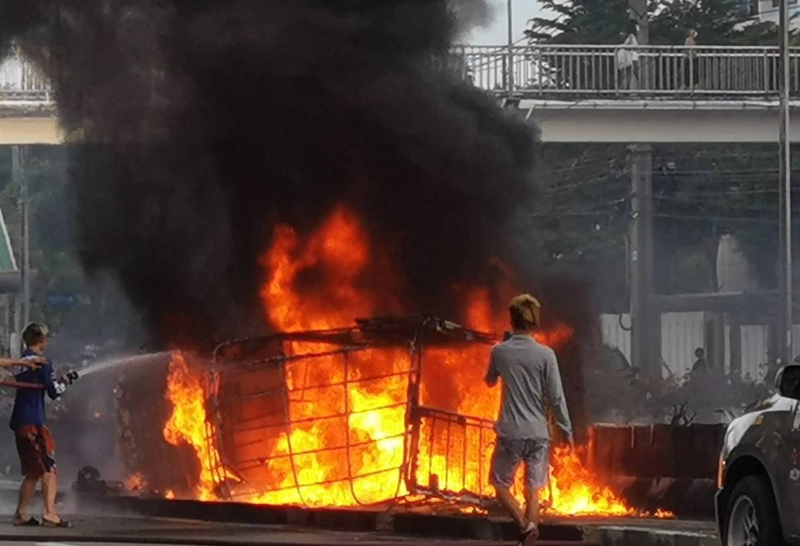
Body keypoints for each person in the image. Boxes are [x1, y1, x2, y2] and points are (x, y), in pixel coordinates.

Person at [485, 294, 573, 546]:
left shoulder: (499, 351)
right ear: (535, 320)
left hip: (511, 432)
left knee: (500, 484)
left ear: (511, 319)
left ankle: (524, 527)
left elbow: (490, 381)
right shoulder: (546, 355)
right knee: (533, 491)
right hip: (538, 433)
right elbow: (556, 396)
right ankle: (529, 539)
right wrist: (566, 428)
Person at [11, 323, 71, 528]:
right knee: (49, 469)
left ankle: (21, 513)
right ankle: (49, 514)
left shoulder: (21, 362)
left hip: (20, 422)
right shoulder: (42, 362)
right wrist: (65, 381)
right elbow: (54, 391)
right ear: (41, 339)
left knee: (33, 472)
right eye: (46, 337)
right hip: (34, 423)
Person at [616, 20, 640, 90]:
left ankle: (625, 89)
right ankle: (626, 89)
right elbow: (631, 46)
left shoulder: (627, 35)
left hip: (627, 57)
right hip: (629, 57)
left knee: (626, 74)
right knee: (629, 74)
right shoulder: (631, 36)